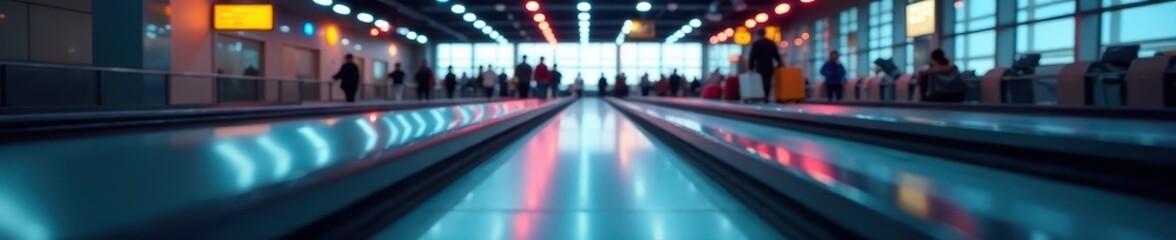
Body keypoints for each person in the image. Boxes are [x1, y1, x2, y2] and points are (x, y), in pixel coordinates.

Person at [748, 28, 782, 98]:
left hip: (759, 66)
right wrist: (779, 63)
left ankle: (761, 96)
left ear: (758, 34)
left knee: (760, 82)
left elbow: (752, 56)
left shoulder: (756, 44)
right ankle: (766, 97)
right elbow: (776, 54)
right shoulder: (771, 43)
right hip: (769, 65)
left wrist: (750, 67)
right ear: (765, 33)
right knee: (768, 81)